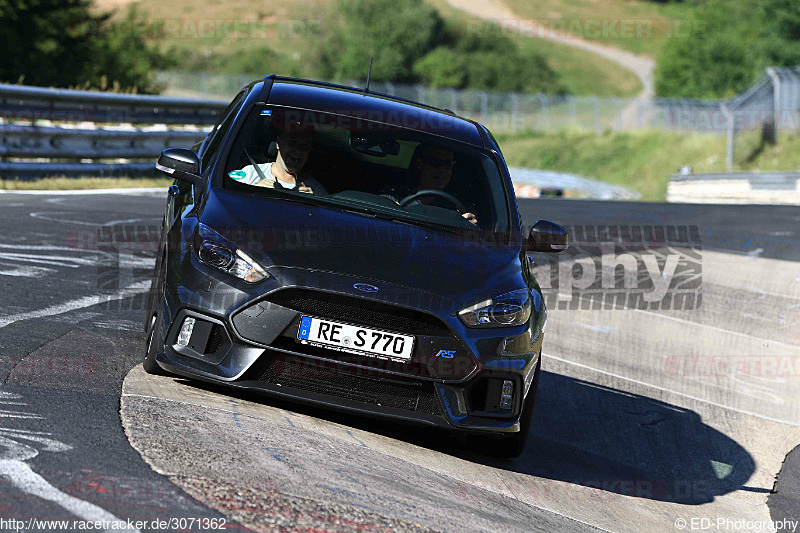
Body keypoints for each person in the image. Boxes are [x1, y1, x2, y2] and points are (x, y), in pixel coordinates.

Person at [228, 124, 327, 195]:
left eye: (304, 146)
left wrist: (314, 206)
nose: (297, 150)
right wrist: (253, 192)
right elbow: (224, 200)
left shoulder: (317, 191)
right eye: (292, 143)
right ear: (278, 143)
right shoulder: (250, 174)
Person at [405, 144, 477, 225]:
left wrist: (469, 225)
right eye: (436, 163)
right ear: (420, 164)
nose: (442, 170)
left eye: (448, 164)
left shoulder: (459, 207)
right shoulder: (398, 194)